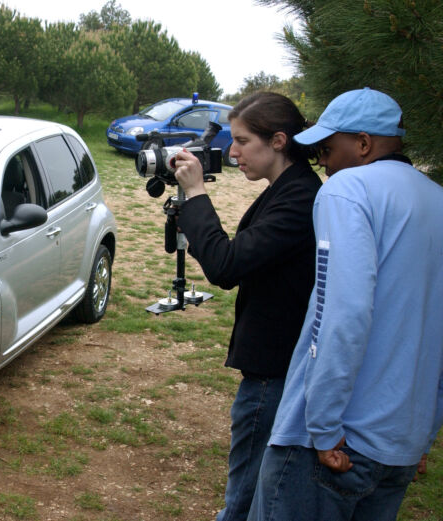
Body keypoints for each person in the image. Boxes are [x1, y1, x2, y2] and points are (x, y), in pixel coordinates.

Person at [248, 87, 443, 521]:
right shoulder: (437, 198)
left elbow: (343, 314)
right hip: (399, 445)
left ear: (363, 144)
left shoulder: (348, 190)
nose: (324, 164)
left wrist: (321, 427)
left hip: (336, 442)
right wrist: (422, 433)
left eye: (327, 149)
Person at [172, 92, 322, 521]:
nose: (232, 152)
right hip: (276, 363)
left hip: (274, 369)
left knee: (245, 495)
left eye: (241, 140)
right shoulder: (288, 188)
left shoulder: (300, 198)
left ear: (277, 141)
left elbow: (225, 265)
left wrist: (196, 192)